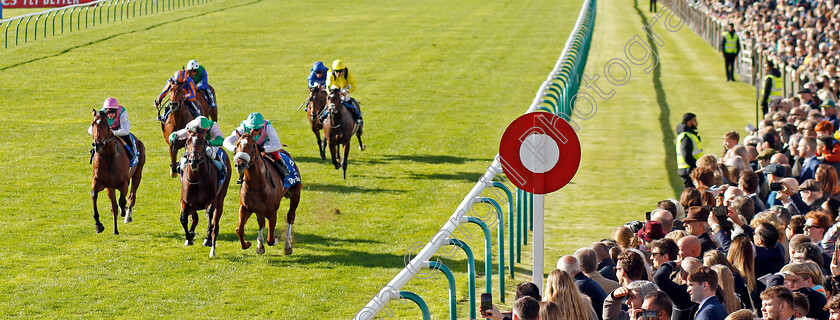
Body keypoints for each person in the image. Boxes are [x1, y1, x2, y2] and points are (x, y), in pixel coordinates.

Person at [222, 112, 290, 179]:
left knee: (274, 152)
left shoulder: (268, 127)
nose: (252, 132)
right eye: (250, 128)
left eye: (256, 130)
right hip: (249, 147)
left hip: (265, 144)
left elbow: (277, 145)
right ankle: (241, 175)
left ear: (261, 128)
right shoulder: (243, 128)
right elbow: (226, 141)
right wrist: (235, 148)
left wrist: (264, 149)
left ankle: (283, 167)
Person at [168, 116, 226, 181]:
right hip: (195, 144)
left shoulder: (213, 127)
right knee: (186, 158)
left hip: (211, 144)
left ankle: (221, 167)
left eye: (202, 132)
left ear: (206, 130)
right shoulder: (190, 127)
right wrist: (173, 139)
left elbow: (221, 141)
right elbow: (173, 135)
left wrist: (208, 142)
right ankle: (181, 173)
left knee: (209, 152)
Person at [88, 98, 139, 167]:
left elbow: (125, 130)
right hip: (106, 132)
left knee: (127, 136)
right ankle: (94, 154)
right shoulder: (101, 113)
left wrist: (114, 132)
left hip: (119, 130)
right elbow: (90, 130)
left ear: (117, 110)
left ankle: (132, 152)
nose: (110, 114)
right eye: (109, 112)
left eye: (113, 112)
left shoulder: (122, 112)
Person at [325, 59, 362, 124]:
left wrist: (346, 92)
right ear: (334, 70)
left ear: (344, 70)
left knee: (346, 100)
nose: (338, 73)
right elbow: (328, 86)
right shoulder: (330, 74)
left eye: (340, 71)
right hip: (335, 87)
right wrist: (331, 93)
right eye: (337, 71)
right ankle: (323, 115)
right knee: (331, 100)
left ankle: (357, 116)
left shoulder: (348, 73)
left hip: (345, 87)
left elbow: (354, 86)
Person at [677, 113, 704, 188]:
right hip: (689, 170)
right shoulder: (686, 137)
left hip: (689, 169)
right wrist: (697, 166)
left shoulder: (689, 135)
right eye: (694, 120)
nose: (696, 123)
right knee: (691, 194)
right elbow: (687, 156)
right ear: (689, 122)